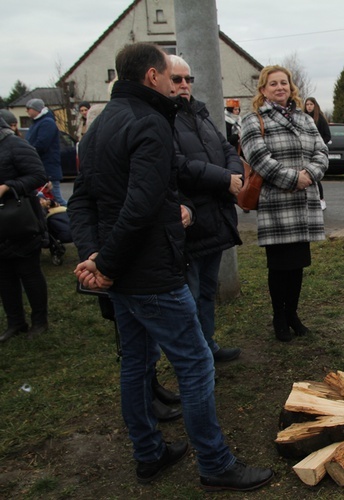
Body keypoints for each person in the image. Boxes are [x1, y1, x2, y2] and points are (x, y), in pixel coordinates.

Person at [67, 42, 273, 491]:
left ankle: (149, 453)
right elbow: (139, 206)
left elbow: (82, 200)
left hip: (120, 272)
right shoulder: (150, 122)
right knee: (196, 363)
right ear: (151, 78)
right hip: (150, 272)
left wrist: (95, 257)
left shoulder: (99, 127)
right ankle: (215, 464)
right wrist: (106, 262)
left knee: (136, 361)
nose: (174, 83)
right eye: (169, 74)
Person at [240, 65, 328, 342]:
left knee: (298, 264)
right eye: (273, 84)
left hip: (303, 204)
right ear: (263, 89)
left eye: (284, 83)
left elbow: (322, 152)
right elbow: (259, 159)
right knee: (279, 266)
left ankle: (293, 313)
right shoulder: (253, 119)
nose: (280, 88)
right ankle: (279, 315)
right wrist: (294, 179)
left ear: (291, 88)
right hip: (277, 204)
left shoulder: (304, 118)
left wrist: (310, 175)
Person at [170, 55, 243, 363]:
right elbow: (180, 166)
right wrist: (224, 178)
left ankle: (207, 347)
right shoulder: (161, 118)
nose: (184, 84)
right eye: (177, 79)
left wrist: (235, 174)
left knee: (206, 291)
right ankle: (196, 359)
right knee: (190, 294)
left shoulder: (199, 113)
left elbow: (226, 147)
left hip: (214, 218)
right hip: (190, 220)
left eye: (188, 79)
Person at [0, 115, 48, 342]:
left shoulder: (14, 144)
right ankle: (15, 322)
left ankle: (40, 321)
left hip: (21, 219)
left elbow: (38, 175)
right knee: (4, 275)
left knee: (28, 271)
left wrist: (8, 187)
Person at [25, 98, 65, 206]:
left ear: (36, 109)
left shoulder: (47, 123)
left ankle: (72, 218)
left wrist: (28, 152)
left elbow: (42, 145)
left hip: (48, 168)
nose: (26, 111)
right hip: (40, 167)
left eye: (28, 108)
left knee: (56, 199)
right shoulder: (36, 123)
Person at [304, 97, 330, 210]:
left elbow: (328, 136)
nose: (309, 106)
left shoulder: (320, 119)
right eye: (307, 104)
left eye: (311, 104)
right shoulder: (303, 118)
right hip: (306, 151)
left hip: (316, 151)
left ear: (315, 105)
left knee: (315, 176)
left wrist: (319, 145)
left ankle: (321, 199)